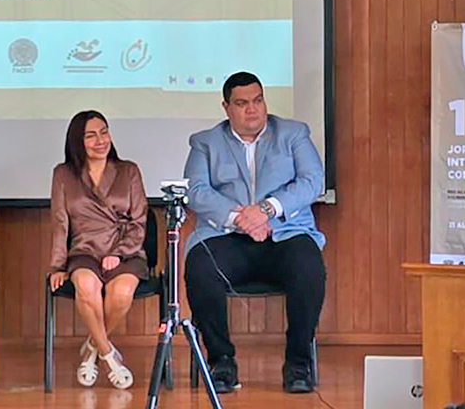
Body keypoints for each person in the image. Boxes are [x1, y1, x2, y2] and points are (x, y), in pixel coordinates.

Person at [182, 71, 326, 394]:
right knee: (200, 268)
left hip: (284, 234)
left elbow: (312, 181)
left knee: (309, 266)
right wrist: (239, 218)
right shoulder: (205, 142)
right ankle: (221, 362)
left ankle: (298, 363)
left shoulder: (293, 134)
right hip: (227, 239)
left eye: (258, 100)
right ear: (226, 107)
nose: (253, 110)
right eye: (243, 103)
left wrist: (266, 210)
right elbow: (197, 191)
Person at [47, 111, 147, 390]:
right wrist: (57, 266)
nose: (100, 140)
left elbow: (139, 220)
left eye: (104, 132)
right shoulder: (63, 174)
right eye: (91, 135)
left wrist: (121, 250)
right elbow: (59, 221)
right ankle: (110, 358)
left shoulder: (128, 170)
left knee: (121, 293)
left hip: (125, 249)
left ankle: (92, 347)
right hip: (84, 250)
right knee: (85, 286)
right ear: (77, 142)